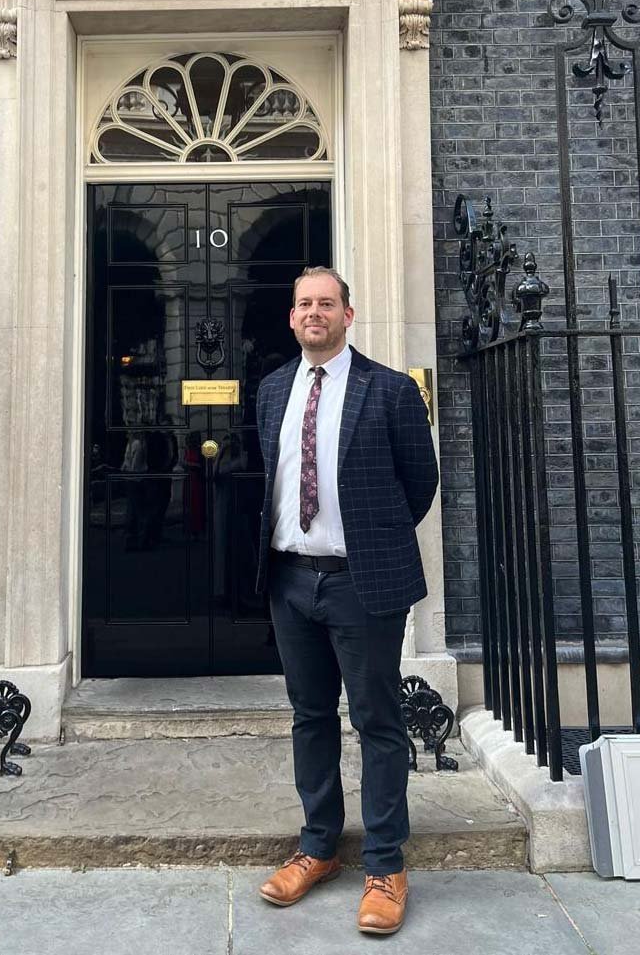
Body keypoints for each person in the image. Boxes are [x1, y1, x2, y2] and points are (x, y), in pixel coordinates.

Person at [254, 266, 438, 936]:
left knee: (377, 719)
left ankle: (386, 865)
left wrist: (370, 542)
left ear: (347, 315)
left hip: (362, 581)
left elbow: (420, 482)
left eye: (326, 303)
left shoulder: (388, 389)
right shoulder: (272, 388)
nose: (314, 312)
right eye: (304, 303)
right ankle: (318, 846)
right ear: (291, 316)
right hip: (291, 580)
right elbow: (273, 476)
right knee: (309, 716)